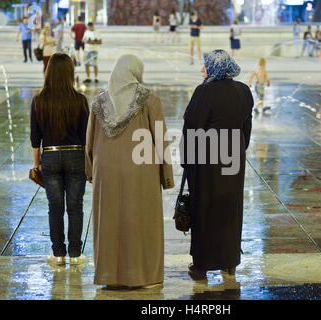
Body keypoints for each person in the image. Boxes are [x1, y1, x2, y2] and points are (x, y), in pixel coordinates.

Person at [85, 55, 174, 289]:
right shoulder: (149, 100)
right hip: (141, 170)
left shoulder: (99, 102)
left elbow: (90, 143)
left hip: (106, 171)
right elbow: (160, 140)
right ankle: (144, 276)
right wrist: (167, 176)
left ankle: (108, 276)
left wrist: (91, 172)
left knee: (109, 223)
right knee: (141, 222)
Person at [180, 49, 253, 281]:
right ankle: (229, 263)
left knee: (205, 210)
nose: (203, 69)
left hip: (207, 164)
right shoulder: (243, 91)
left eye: (206, 65)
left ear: (215, 68)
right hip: (233, 160)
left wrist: (186, 160)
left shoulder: (205, 91)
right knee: (230, 210)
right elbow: (246, 128)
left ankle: (201, 265)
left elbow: (191, 127)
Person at [30, 53, 89, 266]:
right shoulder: (80, 100)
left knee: (55, 207)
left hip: (51, 156)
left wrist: (37, 163)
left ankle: (58, 254)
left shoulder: (39, 100)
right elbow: (86, 137)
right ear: (69, 74)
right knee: (75, 206)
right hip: (76, 156)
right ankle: (75, 254)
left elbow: (35, 138)